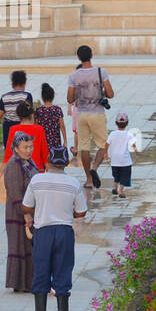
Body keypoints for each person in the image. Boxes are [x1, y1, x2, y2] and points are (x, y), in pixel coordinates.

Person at [21, 145, 88, 311]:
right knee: (63, 270)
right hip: (64, 232)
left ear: (48, 161)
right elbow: (81, 212)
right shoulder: (73, 183)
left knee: (41, 271)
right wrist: (68, 213)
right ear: (66, 163)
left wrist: (39, 211)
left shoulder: (37, 180)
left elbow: (26, 206)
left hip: (42, 232)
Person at [66, 45, 114, 197]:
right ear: (91, 55)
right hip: (97, 113)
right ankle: (94, 168)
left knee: (84, 147)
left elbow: (69, 99)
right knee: (103, 145)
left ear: (78, 58)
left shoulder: (74, 76)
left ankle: (88, 179)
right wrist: (102, 92)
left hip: (82, 114)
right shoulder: (101, 72)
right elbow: (111, 94)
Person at [2, 131, 39, 293]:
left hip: (28, 211)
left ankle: (28, 282)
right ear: (16, 148)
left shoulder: (27, 162)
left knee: (28, 248)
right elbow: (15, 193)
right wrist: (25, 214)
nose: (29, 150)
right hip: (18, 214)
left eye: (30, 146)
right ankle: (20, 283)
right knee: (19, 247)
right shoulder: (13, 165)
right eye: (25, 147)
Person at [2, 101, 48, 169]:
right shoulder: (39, 129)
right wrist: (48, 169)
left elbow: (8, 154)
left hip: (18, 169)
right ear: (32, 115)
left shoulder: (13, 129)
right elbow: (45, 153)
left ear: (19, 116)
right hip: (36, 169)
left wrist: (1, 172)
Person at [0, 70, 33, 147]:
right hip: (22, 126)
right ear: (24, 84)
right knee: (23, 149)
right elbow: (30, 113)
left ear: (12, 84)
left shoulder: (5, 97)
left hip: (8, 127)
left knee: (9, 149)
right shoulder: (27, 96)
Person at [104, 112, 139, 199]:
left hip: (115, 160)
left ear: (116, 123)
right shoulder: (129, 134)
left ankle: (114, 187)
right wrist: (136, 150)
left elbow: (107, 144)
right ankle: (120, 191)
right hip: (125, 161)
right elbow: (133, 144)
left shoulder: (112, 134)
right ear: (127, 123)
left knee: (117, 175)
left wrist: (105, 153)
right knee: (124, 177)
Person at [33, 83, 67, 153]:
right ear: (53, 96)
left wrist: (34, 141)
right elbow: (62, 126)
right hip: (56, 143)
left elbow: (35, 127)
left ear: (42, 97)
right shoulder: (57, 109)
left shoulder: (39, 110)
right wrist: (65, 141)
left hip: (42, 142)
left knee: (44, 162)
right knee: (55, 161)